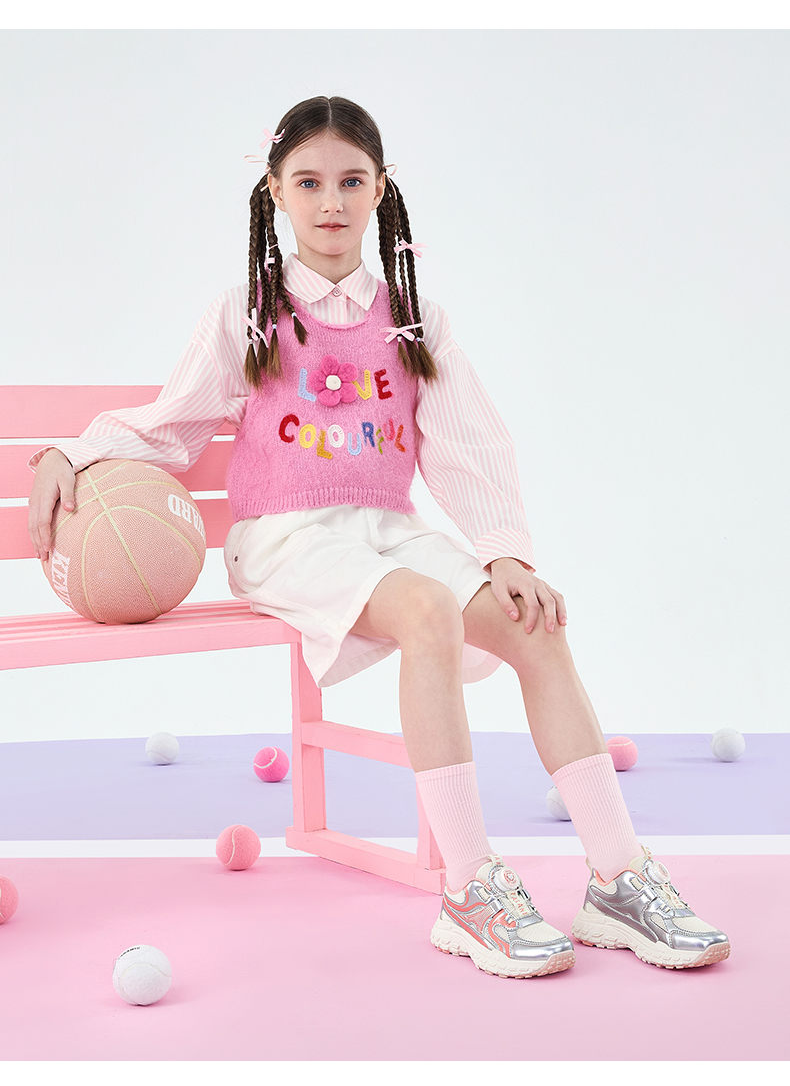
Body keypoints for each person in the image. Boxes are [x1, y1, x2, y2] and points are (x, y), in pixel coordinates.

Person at [28, 95, 730, 979]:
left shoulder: (414, 317)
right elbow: (172, 424)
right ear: (274, 190)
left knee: (536, 623)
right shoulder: (247, 311)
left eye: (351, 181)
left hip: (389, 532)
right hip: (284, 538)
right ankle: (469, 889)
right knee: (428, 610)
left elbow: (469, 443)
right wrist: (70, 451)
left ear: (381, 188)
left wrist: (505, 551)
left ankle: (619, 878)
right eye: (308, 182)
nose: (331, 201)